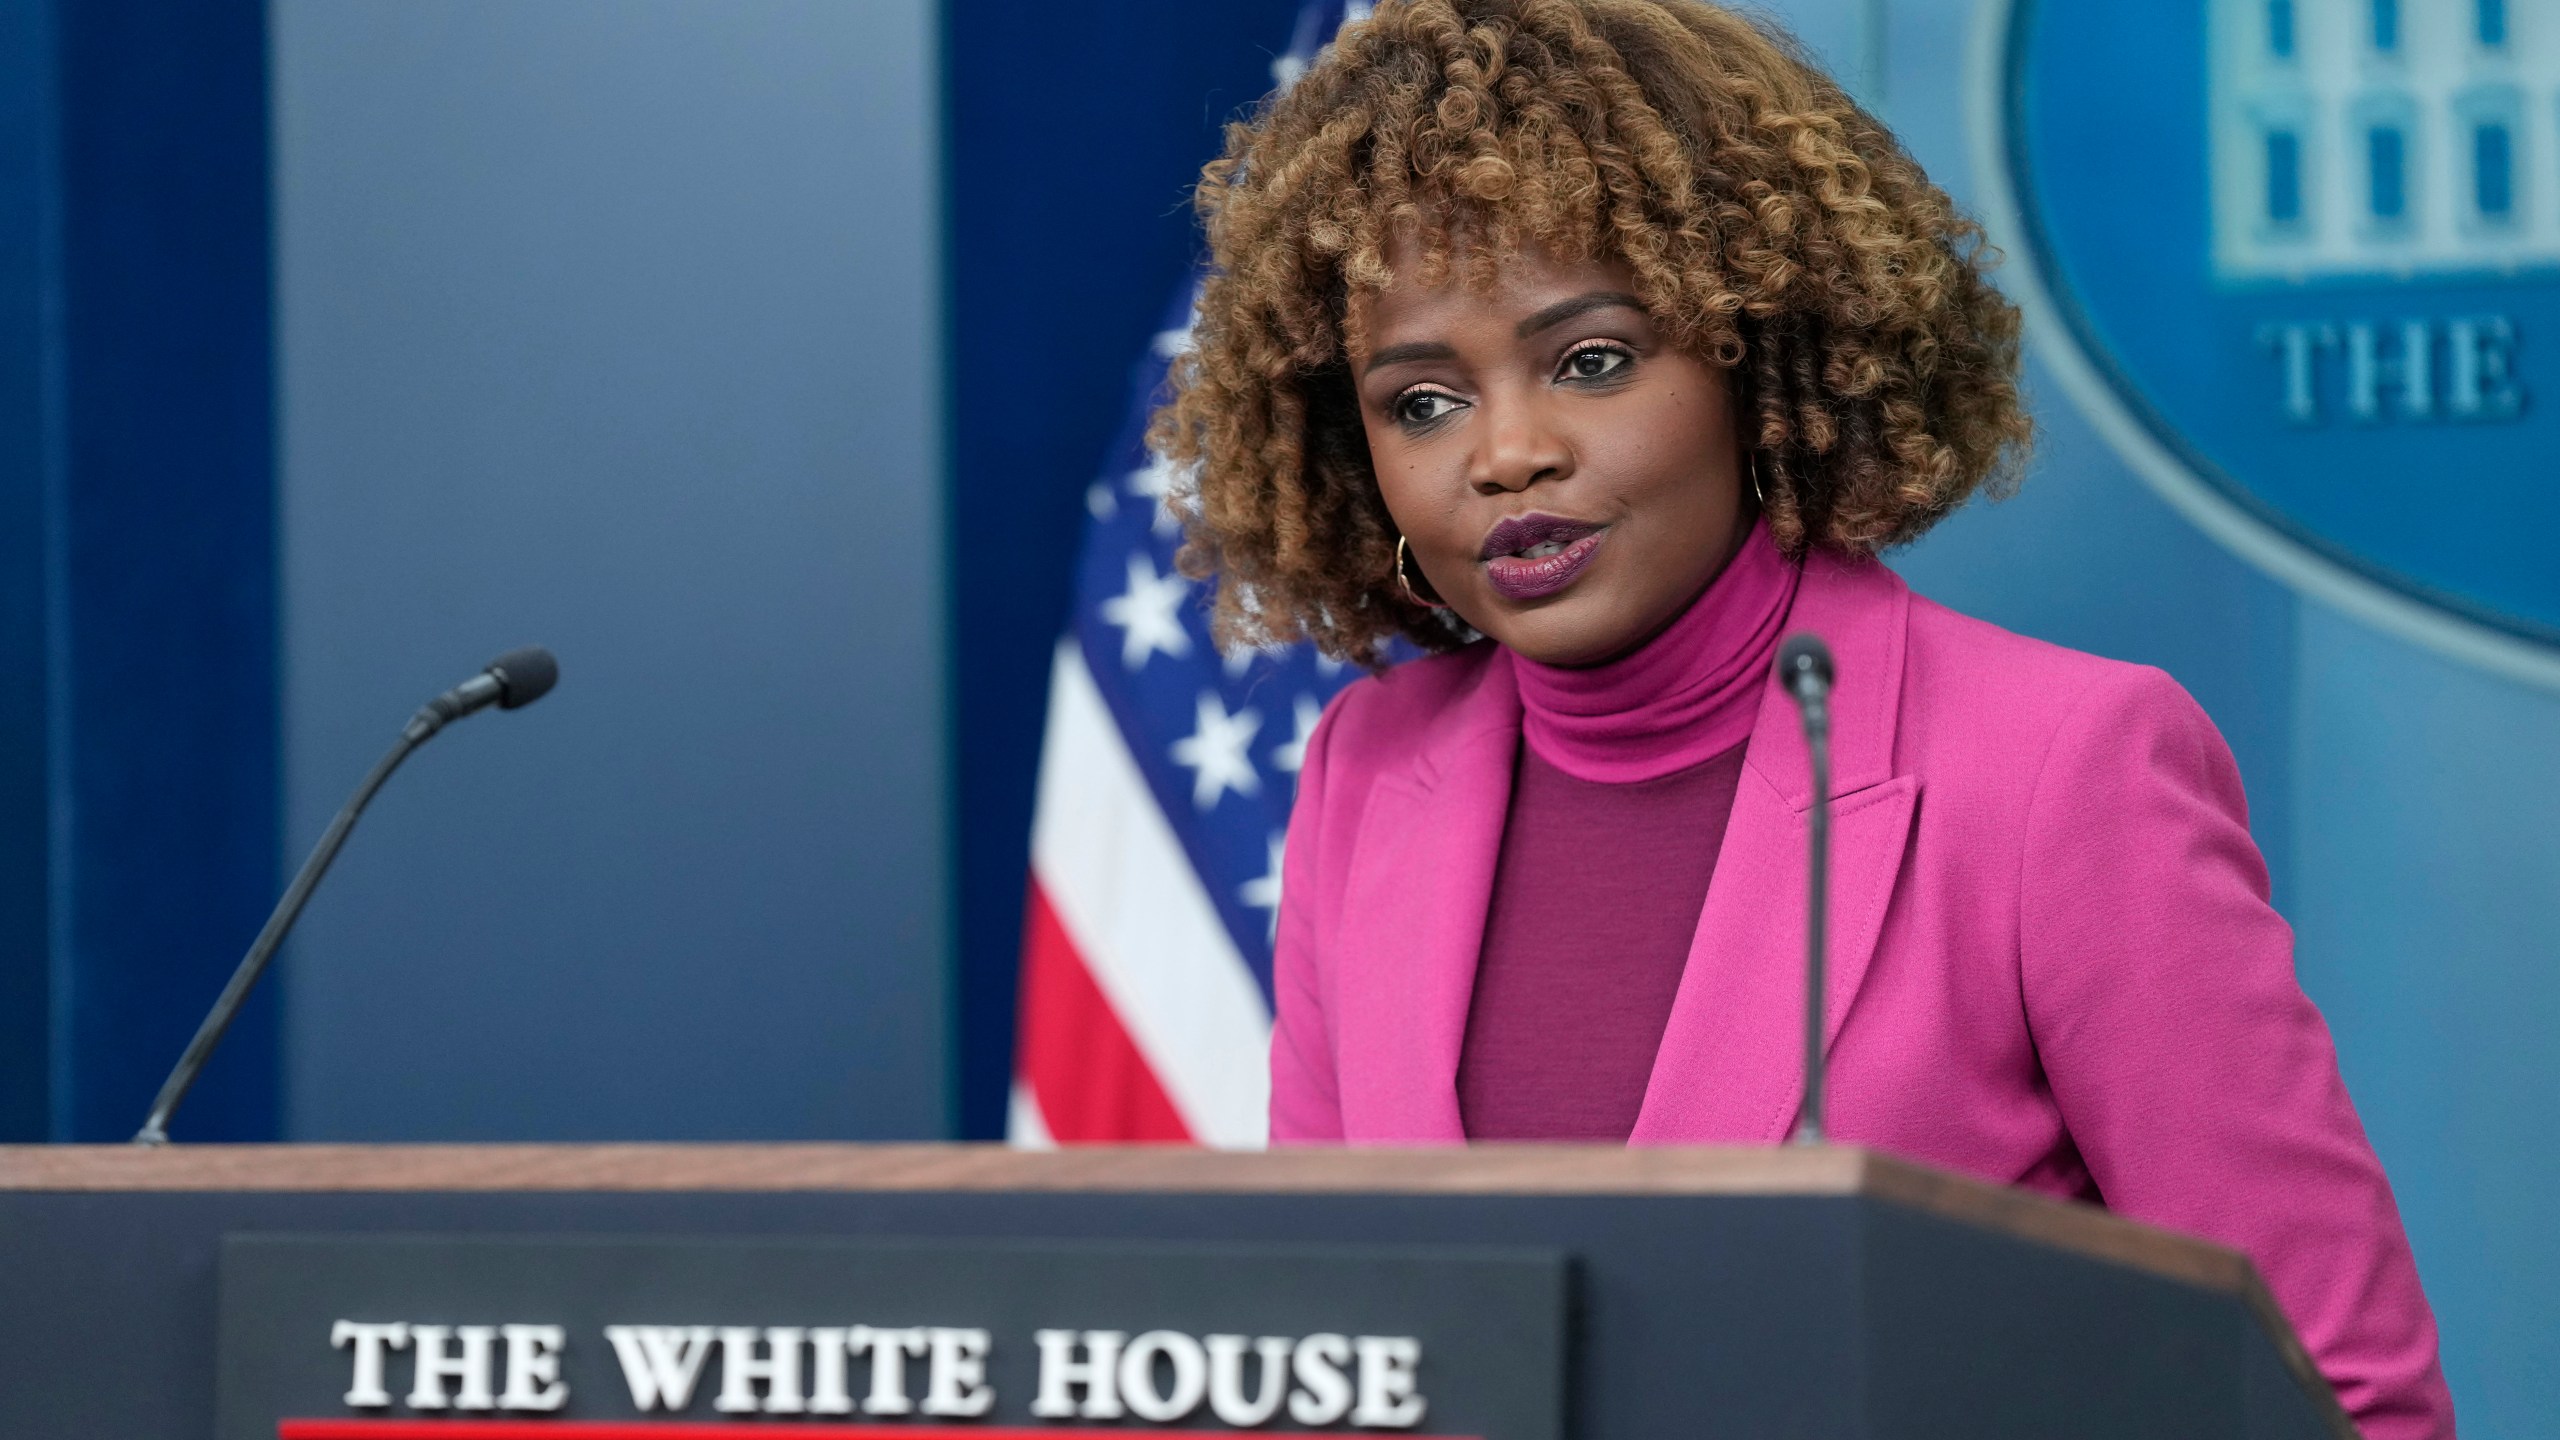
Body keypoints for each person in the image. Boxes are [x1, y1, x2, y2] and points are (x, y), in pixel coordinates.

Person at [1147, 0, 2453, 1433]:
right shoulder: (1369, 776)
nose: (1506, 453)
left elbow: (2341, 1397)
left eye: (1592, 361)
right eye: (1423, 401)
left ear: (1760, 360)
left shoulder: (2058, 770)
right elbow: (1343, 1374)